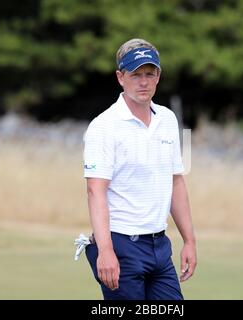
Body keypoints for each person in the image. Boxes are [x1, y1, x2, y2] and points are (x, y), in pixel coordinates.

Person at [83, 38, 197, 300]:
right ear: (120, 77)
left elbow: (176, 182)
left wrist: (189, 240)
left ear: (158, 76)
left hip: (160, 246)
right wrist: (105, 250)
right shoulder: (103, 126)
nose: (143, 82)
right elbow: (95, 192)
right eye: (135, 74)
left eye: (150, 73)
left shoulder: (168, 119)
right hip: (122, 245)